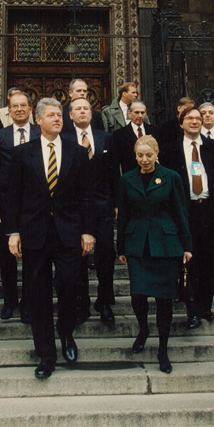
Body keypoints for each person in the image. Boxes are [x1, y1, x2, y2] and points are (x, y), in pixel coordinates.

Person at [6, 98, 95, 379]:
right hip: (34, 233)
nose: (58, 119)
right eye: (52, 115)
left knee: (69, 284)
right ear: (39, 120)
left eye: (60, 115)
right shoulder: (21, 153)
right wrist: (13, 232)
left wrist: (88, 231)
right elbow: (12, 196)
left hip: (69, 232)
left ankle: (66, 331)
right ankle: (46, 354)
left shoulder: (78, 152)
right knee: (38, 293)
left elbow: (86, 196)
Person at [117, 135, 192, 374]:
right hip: (138, 244)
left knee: (163, 300)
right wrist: (121, 248)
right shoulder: (127, 179)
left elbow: (181, 211)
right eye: (140, 155)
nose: (144, 160)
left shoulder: (172, 177)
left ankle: (163, 349)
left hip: (165, 244)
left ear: (157, 154)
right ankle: (143, 329)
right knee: (138, 295)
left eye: (149, 155)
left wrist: (186, 245)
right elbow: (124, 215)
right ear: (135, 155)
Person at [160, 106, 214, 329]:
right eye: (189, 118)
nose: (195, 121)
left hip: (210, 211)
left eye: (198, 118)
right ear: (181, 123)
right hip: (184, 212)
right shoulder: (170, 151)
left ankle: (205, 305)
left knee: (210, 263)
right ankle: (193, 310)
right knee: (189, 263)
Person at [62, 97, 118, 325]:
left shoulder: (106, 138)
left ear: (92, 114)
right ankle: (81, 302)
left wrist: (115, 203)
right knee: (78, 258)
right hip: (74, 211)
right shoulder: (63, 139)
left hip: (102, 207)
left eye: (86, 108)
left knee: (106, 254)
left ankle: (104, 301)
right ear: (71, 115)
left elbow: (114, 173)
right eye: (78, 109)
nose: (83, 112)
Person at [0, 91, 41, 322]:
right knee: (7, 255)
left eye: (24, 105)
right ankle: (9, 301)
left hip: (35, 206)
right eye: (15, 106)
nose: (19, 109)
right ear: (8, 111)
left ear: (31, 110)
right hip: (7, 206)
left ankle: (29, 302)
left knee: (33, 256)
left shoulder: (42, 134)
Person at [113, 99, 161, 176]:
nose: (140, 116)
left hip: (153, 176)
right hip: (131, 178)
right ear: (129, 113)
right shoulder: (119, 135)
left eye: (142, 113)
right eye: (136, 112)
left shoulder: (155, 131)